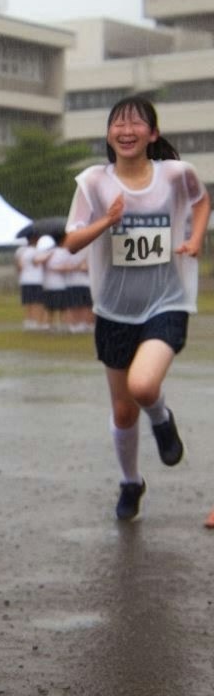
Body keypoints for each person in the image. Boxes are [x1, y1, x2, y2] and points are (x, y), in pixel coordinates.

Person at [64, 96, 210, 522]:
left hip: (167, 301)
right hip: (113, 308)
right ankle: (131, 482)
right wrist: (106, 222)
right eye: (118, 124)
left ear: (153, 133)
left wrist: (196, 239)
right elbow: (72, 241)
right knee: (123, 410)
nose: (126, 131)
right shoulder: (94, 181)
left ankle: (162, 419)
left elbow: (202, 202)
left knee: (144, 387)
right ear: (108, 134)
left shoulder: (176, 175)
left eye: (136, 124)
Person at [15, 231, 46, 330]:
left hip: (25, 280)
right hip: (35, 280)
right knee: (37, 302)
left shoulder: (21, 251)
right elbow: (36, 261)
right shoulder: (36, 251)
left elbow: (19, 266)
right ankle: (36, 322)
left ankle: (29, 321)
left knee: (28, 302)